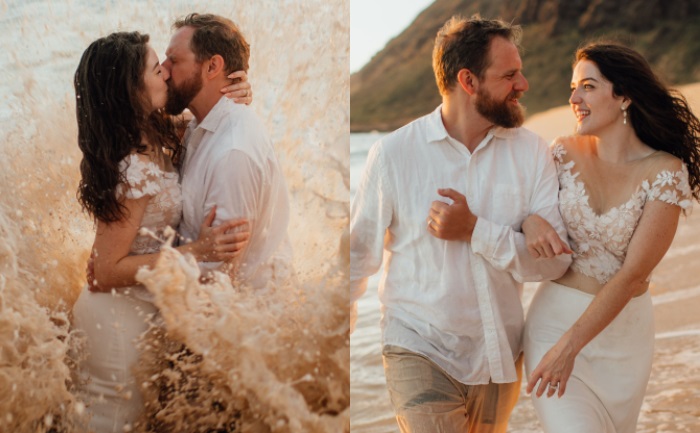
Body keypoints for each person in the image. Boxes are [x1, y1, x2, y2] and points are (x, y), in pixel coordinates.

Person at [350, 16, 572, 432]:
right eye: (509, 75)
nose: (523, 84)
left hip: (499, 354)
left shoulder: (532, 153)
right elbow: (357, 256)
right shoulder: (393, 155)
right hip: (417, 344)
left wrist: (476, 231)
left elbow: (554, 264)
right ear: (468, 81)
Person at [71, 31, 253, 432]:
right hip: (115, 319)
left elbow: (206, 115)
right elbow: (104, 271)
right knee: (113, 421)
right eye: (157, 69)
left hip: (138, 309)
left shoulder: (154, 133)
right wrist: (198, 249)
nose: (167, 75)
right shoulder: (132, 165)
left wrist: (230, 91)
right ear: (131, 90)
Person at [521, 42, 700, 433]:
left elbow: (634, 274)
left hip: (623, 339)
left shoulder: (665, 172)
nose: (573, 98)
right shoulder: (561, 153)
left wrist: (573, 345)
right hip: (552, 326)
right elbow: (517, 207)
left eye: (587, 86)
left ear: (624, 96)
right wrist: (530, 221)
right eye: (573, 87)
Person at [162, 13, 293, 290]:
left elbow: (219, 282)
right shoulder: (200, 125)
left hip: (244, 318)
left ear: (212, 67)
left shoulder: (232, 153)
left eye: (174, 60)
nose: (164, 69)